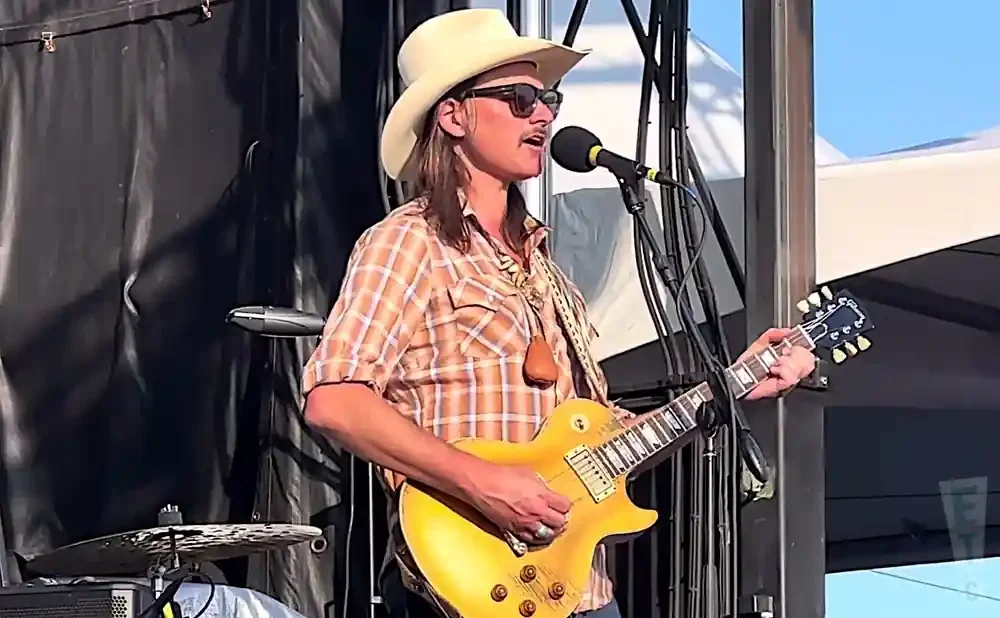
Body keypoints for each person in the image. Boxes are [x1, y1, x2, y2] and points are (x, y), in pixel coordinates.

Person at [301, 9, 817, 618]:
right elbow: (333, 399)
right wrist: (480, 481)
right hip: (469, 582)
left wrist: (735, 384)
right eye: (519, 98)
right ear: (453, 115)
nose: (544, 114)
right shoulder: (410, 242)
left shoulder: (550, 272)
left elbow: (596, 443)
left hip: (576, 588)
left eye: (547, 97)